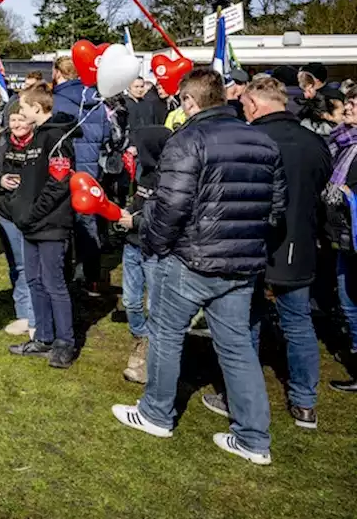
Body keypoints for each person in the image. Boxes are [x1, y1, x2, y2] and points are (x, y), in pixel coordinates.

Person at [112, 69, 286, 466]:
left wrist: (154, 246)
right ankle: (254, 438)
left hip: (192, 259)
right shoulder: (263, 140)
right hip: (241, 263)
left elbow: (170, 206)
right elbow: (276, 209)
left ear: (189, 102)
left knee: (166, 334)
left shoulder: (186, 139)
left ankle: (157, 413)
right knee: (238, 346)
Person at [199, 78, 331, 429]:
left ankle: (238, 395)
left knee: (246, 321)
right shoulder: (314, 141)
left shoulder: (253, 139)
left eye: (243, 106)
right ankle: (303, 402)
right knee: (296, 321)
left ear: (254, 105)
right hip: (299, 243)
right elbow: (322, 187)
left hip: (254, 240)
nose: (242, 112)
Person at [7, 83, 80, 368]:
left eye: (23, 108)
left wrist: (34, 213)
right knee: (34, 281)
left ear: (37, 108)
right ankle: (44, 337)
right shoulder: (36, 137)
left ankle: (65, 343)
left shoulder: (58, 139)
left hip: (51, 223)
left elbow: (58, 184)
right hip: (31, 224)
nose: (21, 113)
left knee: (54, 283)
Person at [116, 123, 172, 383]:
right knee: (130, 300)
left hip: (153, 248)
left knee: (155, 303)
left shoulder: (170, 178)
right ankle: (141, 336)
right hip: (132, 244)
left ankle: (150, 351)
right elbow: (140, 202)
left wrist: (136, 223)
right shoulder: (144, 173)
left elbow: (165, 217)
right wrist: (127, 212)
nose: (135, 151)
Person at [51, 56, 110, 295]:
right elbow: (107, 135)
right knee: (88, 224)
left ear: (57, 72)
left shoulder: (57, 101)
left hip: (65, 171)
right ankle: (91, 277)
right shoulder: (97, 101)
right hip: (91, 171)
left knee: (62, 225)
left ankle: (62, 276)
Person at [0, 110, 36, 336]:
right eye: (12, 120)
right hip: (6, 212)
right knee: (16, 265)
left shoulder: (41, 143)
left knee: (32, 266)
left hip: (33, 212)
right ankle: (23, 313)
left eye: (21, 119)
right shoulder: (0, 142)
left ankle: (35, 317)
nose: (16, 124)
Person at [325, 91, 357, 392]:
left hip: (354, 236)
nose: (347, 108)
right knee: (348, 303)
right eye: (348, 103)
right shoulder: (343, 143)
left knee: (352, 303)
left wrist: (345, 193)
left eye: (354, 105)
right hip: (344, 237)